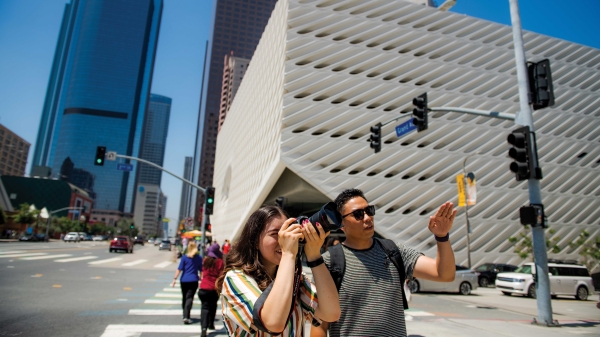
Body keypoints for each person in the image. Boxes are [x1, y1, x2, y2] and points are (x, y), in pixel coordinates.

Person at [311, 188, 457, 337]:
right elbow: (319, 325)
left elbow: (444, 274)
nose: (367, 218)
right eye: (358, 214)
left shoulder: (394, 251)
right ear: (341, 224)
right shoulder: (330, 262)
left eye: (369, 210)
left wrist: (442, 237)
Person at [215, 205, 340, 337]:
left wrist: (314, 256)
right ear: (255, 241)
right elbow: (272, 323)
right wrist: (288, 255)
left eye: (288, 232)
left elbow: (331, 313)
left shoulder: (297, 279)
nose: (284, 240)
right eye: (275, 234)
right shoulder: (235, 278)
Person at [171, 241, 203, 324]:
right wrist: (201, 279)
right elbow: (201, 270)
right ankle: (186, 316)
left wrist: (174, 279)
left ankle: (184, 314)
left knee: (184, 297)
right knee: (189, 298)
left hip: (184, 280)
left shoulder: (184, 258)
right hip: (193, 280)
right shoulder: (199, 258)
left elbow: (179, 269)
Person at [198, 243, 224, 337]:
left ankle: (203, 328)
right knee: (213, 306)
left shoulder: (205, 260)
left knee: (205, 307)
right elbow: (221, 275)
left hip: (203, 287)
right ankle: (211, 324)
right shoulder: (220, 262)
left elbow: (202, 272)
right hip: (214, 288)